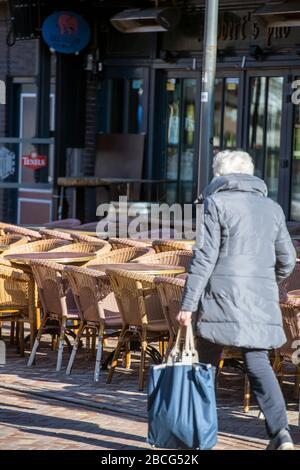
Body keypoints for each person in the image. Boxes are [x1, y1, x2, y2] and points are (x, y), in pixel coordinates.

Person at [177, 150, 296, 451]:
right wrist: (268, 281)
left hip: (218, 298)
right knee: (258, 362)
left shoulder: (215, 204)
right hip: (258, 300)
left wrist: (188, 305)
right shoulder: (272, 208)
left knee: (205, 364)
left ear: (220, 176)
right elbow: (288, 260)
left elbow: (204, 259)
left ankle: (198, 435)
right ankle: (280, 433)